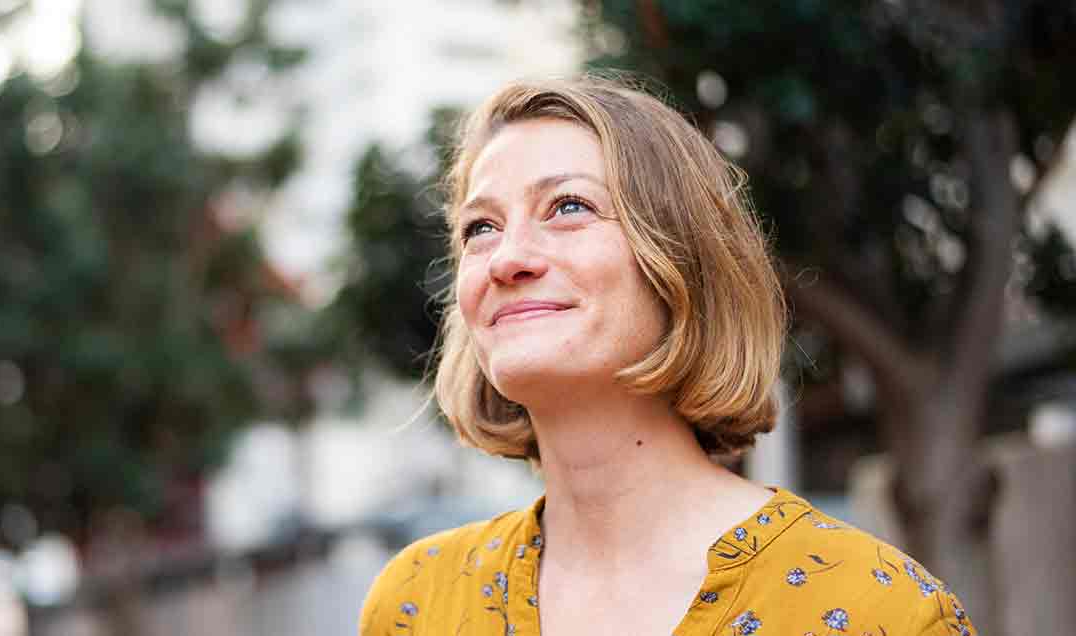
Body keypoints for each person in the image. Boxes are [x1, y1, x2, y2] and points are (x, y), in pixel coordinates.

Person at [358, 74, 977, 636]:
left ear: (683, 262)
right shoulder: (416, 604)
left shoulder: (879, 612)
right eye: (480, 228)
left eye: (569, 207)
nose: (506, 258)